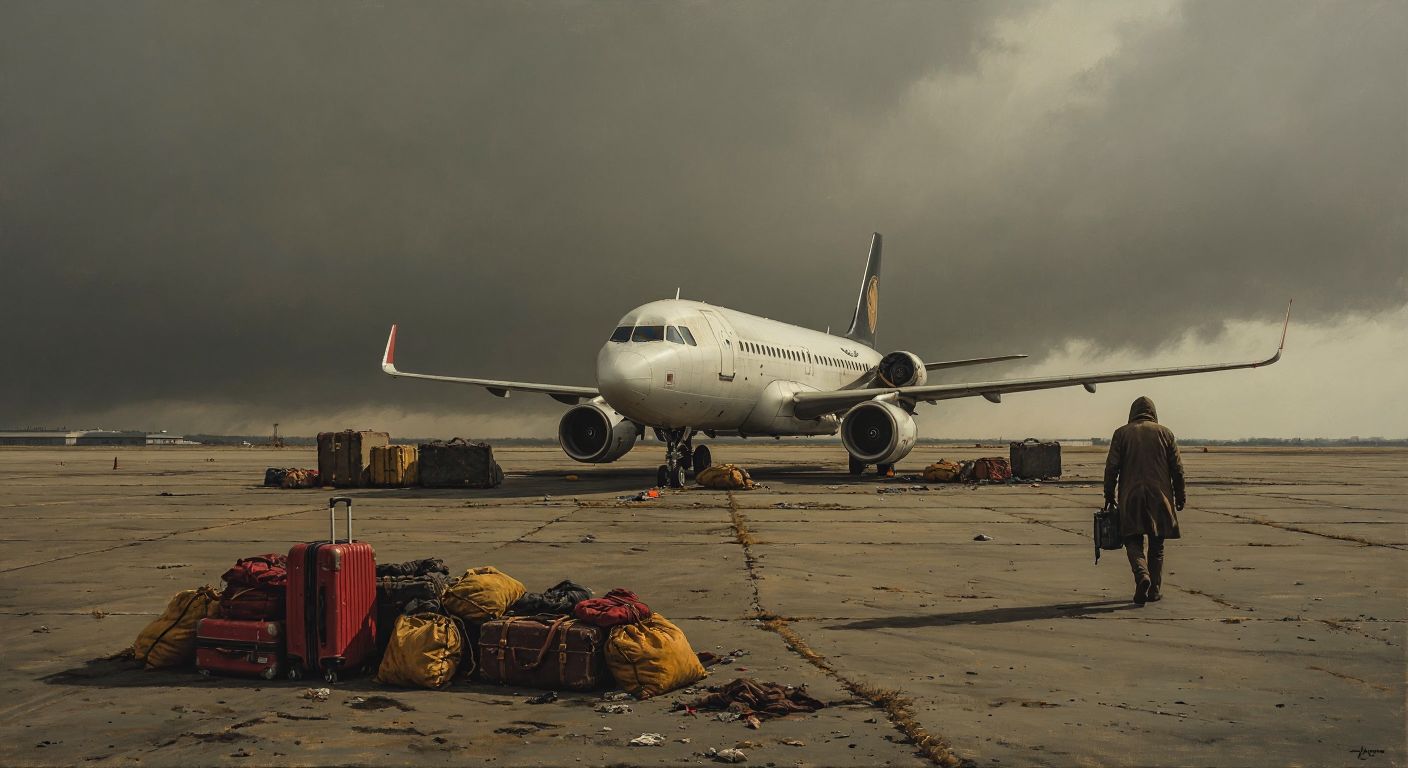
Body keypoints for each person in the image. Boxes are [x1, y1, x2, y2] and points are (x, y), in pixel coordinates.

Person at [1103, 395, 1185, 605]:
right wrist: (1180, 495)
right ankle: (1154, 590)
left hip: (1131, 496)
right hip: (1160, 496)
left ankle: (1142, 575)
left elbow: (1112, 467)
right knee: (1157, 545)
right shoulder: (1166, 433)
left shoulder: (1121, 433)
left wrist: (1109, 493)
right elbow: (1177, 469)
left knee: (1132, 540)